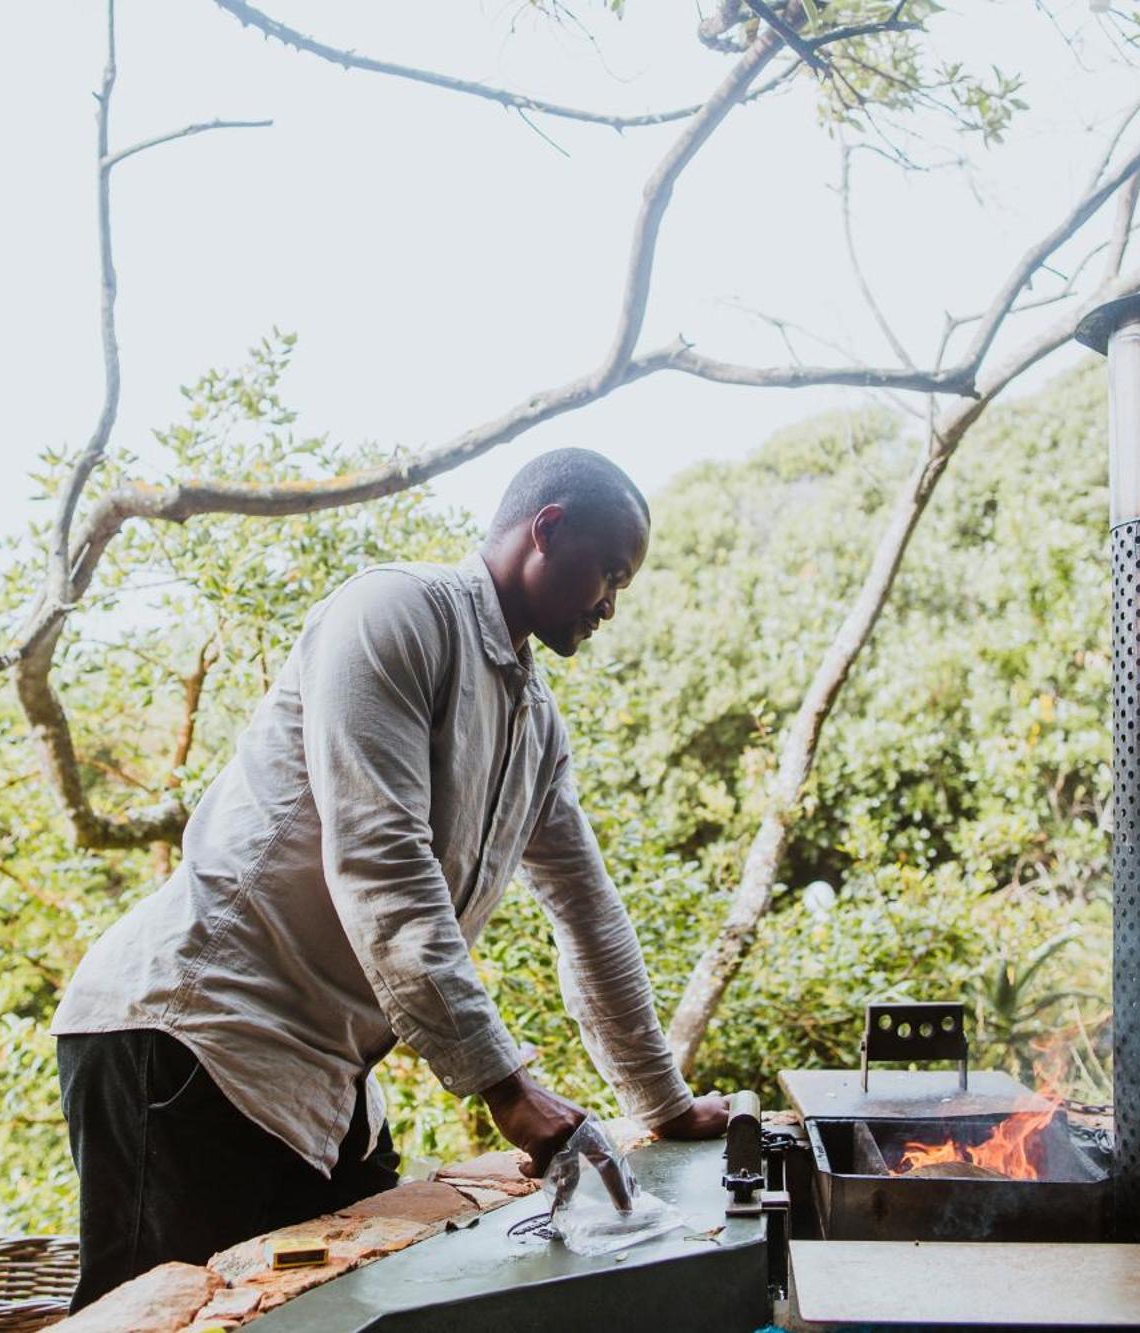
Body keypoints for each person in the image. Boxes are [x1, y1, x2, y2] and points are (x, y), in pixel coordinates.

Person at [50, 447, 727, 1310]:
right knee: (174, 1320)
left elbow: (589, 912)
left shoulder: (533, 723)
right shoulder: (395, 613)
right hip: (190, 1041)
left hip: (321, 1084)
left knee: (349, 1312)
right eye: (609, 573)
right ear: (547, 530)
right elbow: (381, 860)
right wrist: (507, 1090)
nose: (610, 605)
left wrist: (662, 1104)